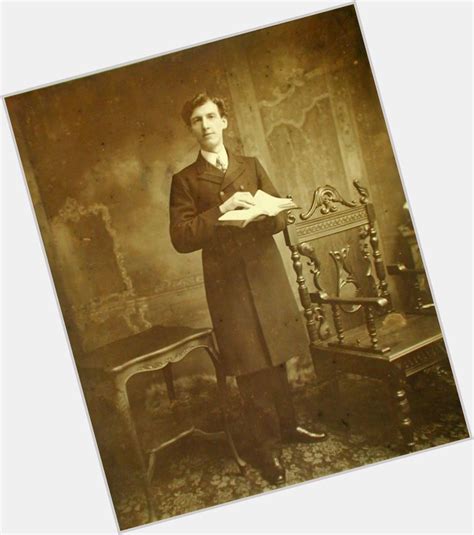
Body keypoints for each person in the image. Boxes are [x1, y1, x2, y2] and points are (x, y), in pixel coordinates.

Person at [169, 92, 326, 485]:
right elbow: (181, 237)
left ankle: (289, 426)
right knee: (249, 366)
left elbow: (281, 218)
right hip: (227, 284)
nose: (205, 125)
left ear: (224, 121)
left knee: (276, 355)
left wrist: (265, 212)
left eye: (210, 117)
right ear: (191, 129)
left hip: (264, 273)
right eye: (196, 120)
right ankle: (265, 449)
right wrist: (222, 210)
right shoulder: (184, 180)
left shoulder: (251, 165)